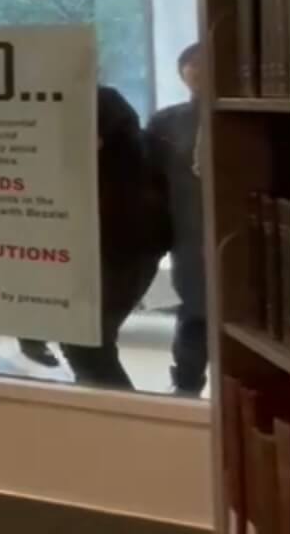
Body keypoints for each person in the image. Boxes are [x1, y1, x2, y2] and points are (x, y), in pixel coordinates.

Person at [57, 85, 170, 389]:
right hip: (111, 245)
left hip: (124, 247)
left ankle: (120, 415)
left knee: (87, 341)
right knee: (83, 341)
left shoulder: (122, 146)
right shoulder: (124, 143)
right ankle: (102, 407)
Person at [148, 43, 206, 395]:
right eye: (191, 64)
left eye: (206, 63)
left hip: (247, 233)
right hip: (188, 234)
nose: (198, 70)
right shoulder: (167, 122)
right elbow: (148, 180)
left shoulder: (246, 118)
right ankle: (186, 383)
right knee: (195, 309)